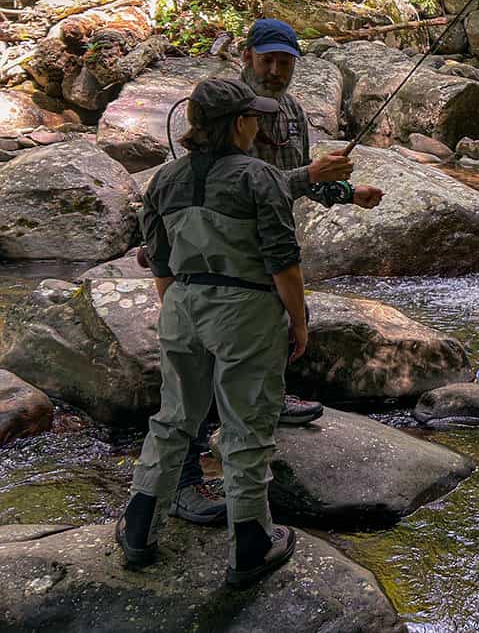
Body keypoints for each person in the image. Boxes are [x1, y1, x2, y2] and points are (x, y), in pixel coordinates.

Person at [171, 18, 384, 526]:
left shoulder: (291, 111)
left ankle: (274, 396)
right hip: (220, 257)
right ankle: (184, 482)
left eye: (283, 62)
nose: (274, 70)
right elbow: (229, 186)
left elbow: (300, 182)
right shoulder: (221, 109)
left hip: (270, 245)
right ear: (246, 56)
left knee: (275, 331)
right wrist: (308, 175)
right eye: (265, 60)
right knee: (200, 371)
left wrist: (346, 192)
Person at [116, 78, 304, 587]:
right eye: (253, 117)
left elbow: (158, 261)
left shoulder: (164, 180)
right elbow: (282, 263)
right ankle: (250, 544)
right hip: (246, 309)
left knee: (174, 419)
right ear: (239, 124)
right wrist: (299, 322)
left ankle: (138, 529)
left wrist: (182, 311)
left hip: (181, 303)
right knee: (246, 427)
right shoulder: (259, 177)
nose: (259, 125)